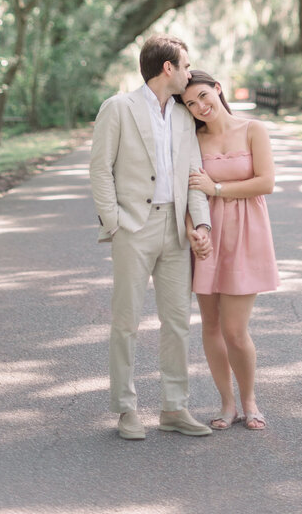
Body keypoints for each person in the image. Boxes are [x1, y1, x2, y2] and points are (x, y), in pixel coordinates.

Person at [89, 34, 214, 441]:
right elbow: (100, 169)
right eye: (186, 64)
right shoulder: (118, 108)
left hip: (176, 230)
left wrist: (201, 225)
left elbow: (194, 175)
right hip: (134, 227)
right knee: (126, 322)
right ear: (168, 68)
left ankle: (174, 408)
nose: (190, 72)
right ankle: (126, 409)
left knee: (177, 322)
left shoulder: (182, 116)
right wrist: (115, 222)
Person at [182, 69, 279, 431]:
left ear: (217, 89)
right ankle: (227, 405)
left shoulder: (253, 129)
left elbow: (265, 182)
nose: (199, 106)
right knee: (210, 325)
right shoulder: (193, 140)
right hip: (208, 234)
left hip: (247, 234)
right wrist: (193, 232)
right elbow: (188, 193)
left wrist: (217, 187)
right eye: (190, 104)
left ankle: (250, 399)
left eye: (203, 96)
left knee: (235, 330)